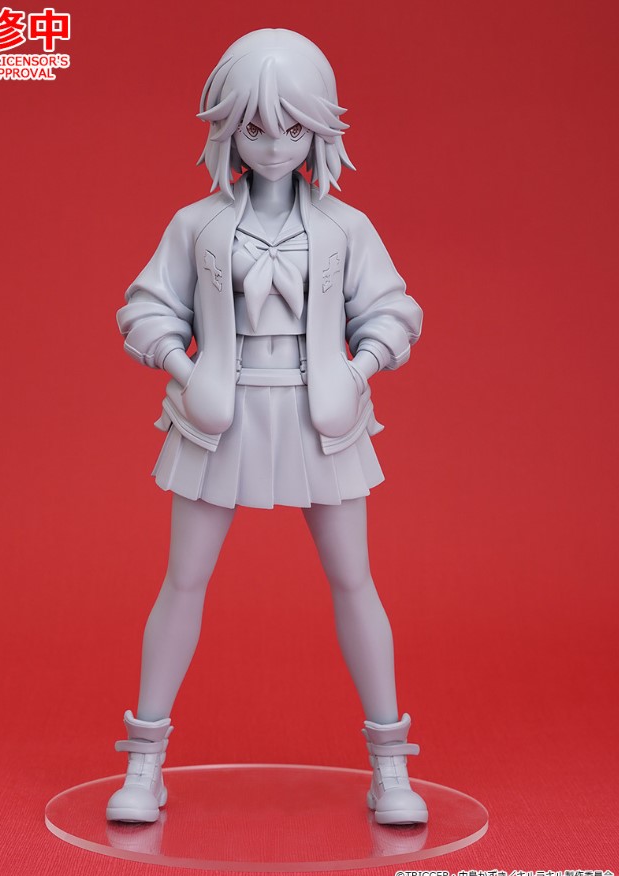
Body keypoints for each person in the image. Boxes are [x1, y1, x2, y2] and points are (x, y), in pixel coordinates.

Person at [107, 28, 427, 827]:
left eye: (292, 128)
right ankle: (144, 761)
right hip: (220, 412)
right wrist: (183, 369)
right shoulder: (196, 224)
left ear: (319, 129)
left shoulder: (345, 228)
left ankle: (390, 765)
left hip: (321, 415)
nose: (275, 146)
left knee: (353, 580)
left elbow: (392, 310)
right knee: (183, 579)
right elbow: (145, 307)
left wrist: (357, 370)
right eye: (255, 127)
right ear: (227, 128)